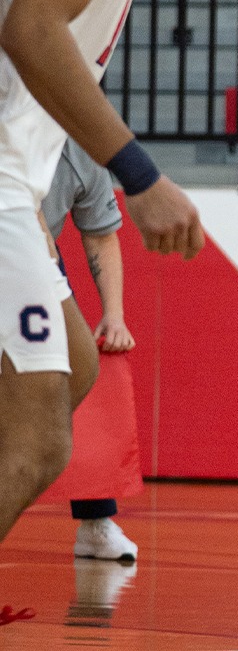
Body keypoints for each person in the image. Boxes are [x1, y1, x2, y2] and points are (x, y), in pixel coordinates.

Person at [0, 0, 222, 569]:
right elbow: (31, 24)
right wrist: (140, 176)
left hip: (15, 163)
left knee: (76, 366)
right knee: (41, 439)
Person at [38, 140, 139, 564]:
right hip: (24, 250)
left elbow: (100, 235)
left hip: (34, 261)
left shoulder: (81, 144)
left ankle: (96, 521)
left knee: (83, 364)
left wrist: (113, 316)